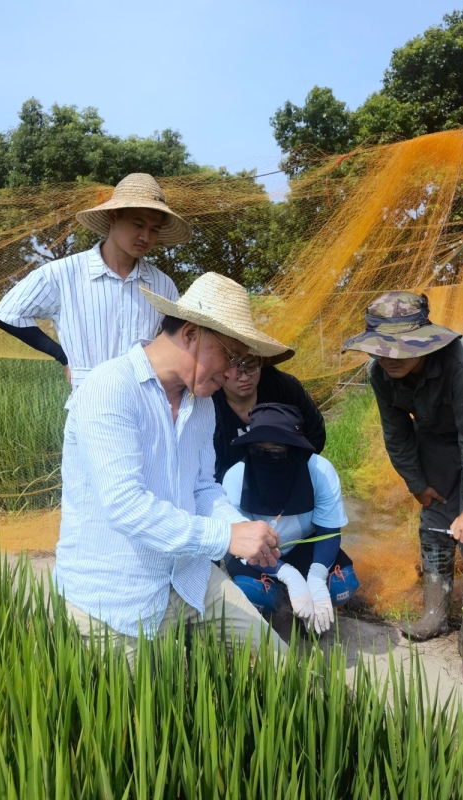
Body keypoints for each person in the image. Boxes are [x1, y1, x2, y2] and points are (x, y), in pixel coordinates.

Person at [54, 271, 295, 662]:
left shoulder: (201, 405)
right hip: (116, 597)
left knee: (281, 667)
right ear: (190, 334)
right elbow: (125, 506)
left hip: (188, 575)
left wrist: (241, 528)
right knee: (158, 716)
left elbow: (202, 487)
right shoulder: (109, 388)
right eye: (231, 357)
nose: (234, 375)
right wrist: (224, 538)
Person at [343, 291, 463, 700]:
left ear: (424, 339)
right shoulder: (379, 372)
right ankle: (435, 615)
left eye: (401, 348)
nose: (390, 358)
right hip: (436, 433)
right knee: (438, 518)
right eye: (382, 348)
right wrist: (417, 483)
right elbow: (397, 432)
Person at [0, 173, 191, 395]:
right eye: (138, 224)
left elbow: (177, 343)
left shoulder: (162, 285)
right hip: (89, 405)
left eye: (154, 229)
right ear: (113, 217)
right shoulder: (64, 274)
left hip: (146, 403)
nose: (145, 236)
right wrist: (62, 356)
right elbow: (7, 314)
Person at [221, 403, 357, 635]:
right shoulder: (235, 477)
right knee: (254, 593)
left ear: (294, 449)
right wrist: (290, 576)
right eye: (259, 449)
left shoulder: (320, 472)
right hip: (255, 552)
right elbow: (241, 541)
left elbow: (330, 531)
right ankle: (266, 611)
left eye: (277, 450)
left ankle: (306, 616)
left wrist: (316, 576)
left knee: (341, 585)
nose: (267, 457)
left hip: (303, 544)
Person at [212, 352, 326, 483]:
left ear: (261, 362)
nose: (244, 377)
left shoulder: (283, 387)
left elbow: (315, 434)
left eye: (251, 367)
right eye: (235, 370)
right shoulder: (207, 402)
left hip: (285, 476)